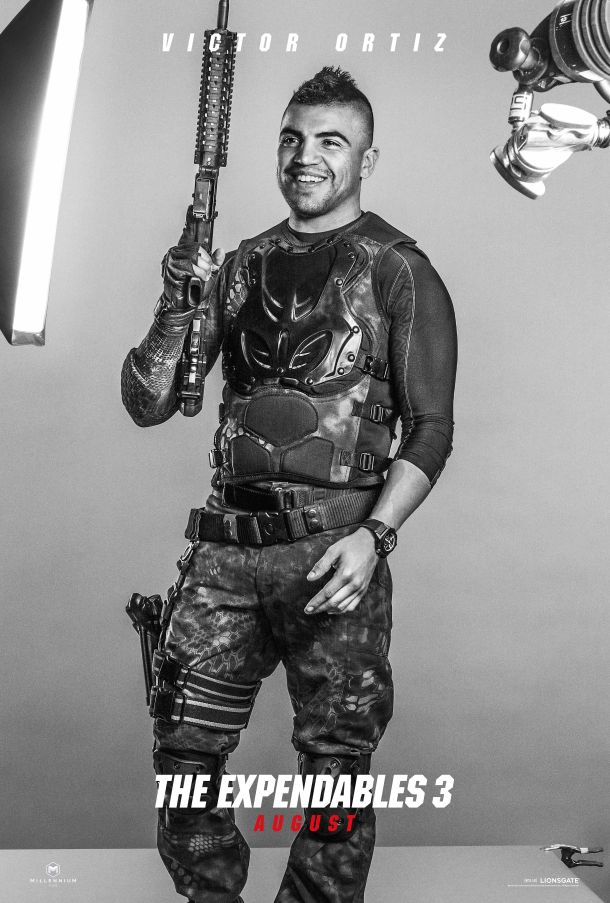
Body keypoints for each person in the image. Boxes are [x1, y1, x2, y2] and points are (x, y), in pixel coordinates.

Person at [122, 66, 457, 903]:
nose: (306, 157)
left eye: (330, 142)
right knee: (184, 759)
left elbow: (431, 428)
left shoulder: (398, 269)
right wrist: (176, 302)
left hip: (333, 548)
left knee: (335, 775)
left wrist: (375, 536)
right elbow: (147, 401)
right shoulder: (239, 266)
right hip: (226, 553)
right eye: (292, 139)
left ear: (366, 160)